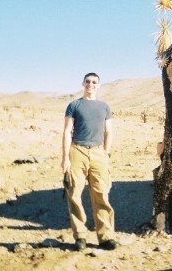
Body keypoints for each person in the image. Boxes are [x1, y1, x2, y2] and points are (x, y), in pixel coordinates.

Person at [61, 72, 116, 251]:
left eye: (94, 82)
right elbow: (67, 131)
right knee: (74, 193)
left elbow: (109, 132)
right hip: (77, 151)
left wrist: (106, 154)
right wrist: (65, 158)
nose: (90, 84)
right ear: (83, 84)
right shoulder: (74, 105)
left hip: (99, 153)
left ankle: (106, 236)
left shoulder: (104, 107)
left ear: (98, 86)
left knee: (101, 194)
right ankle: (80, 236)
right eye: (88, 82)